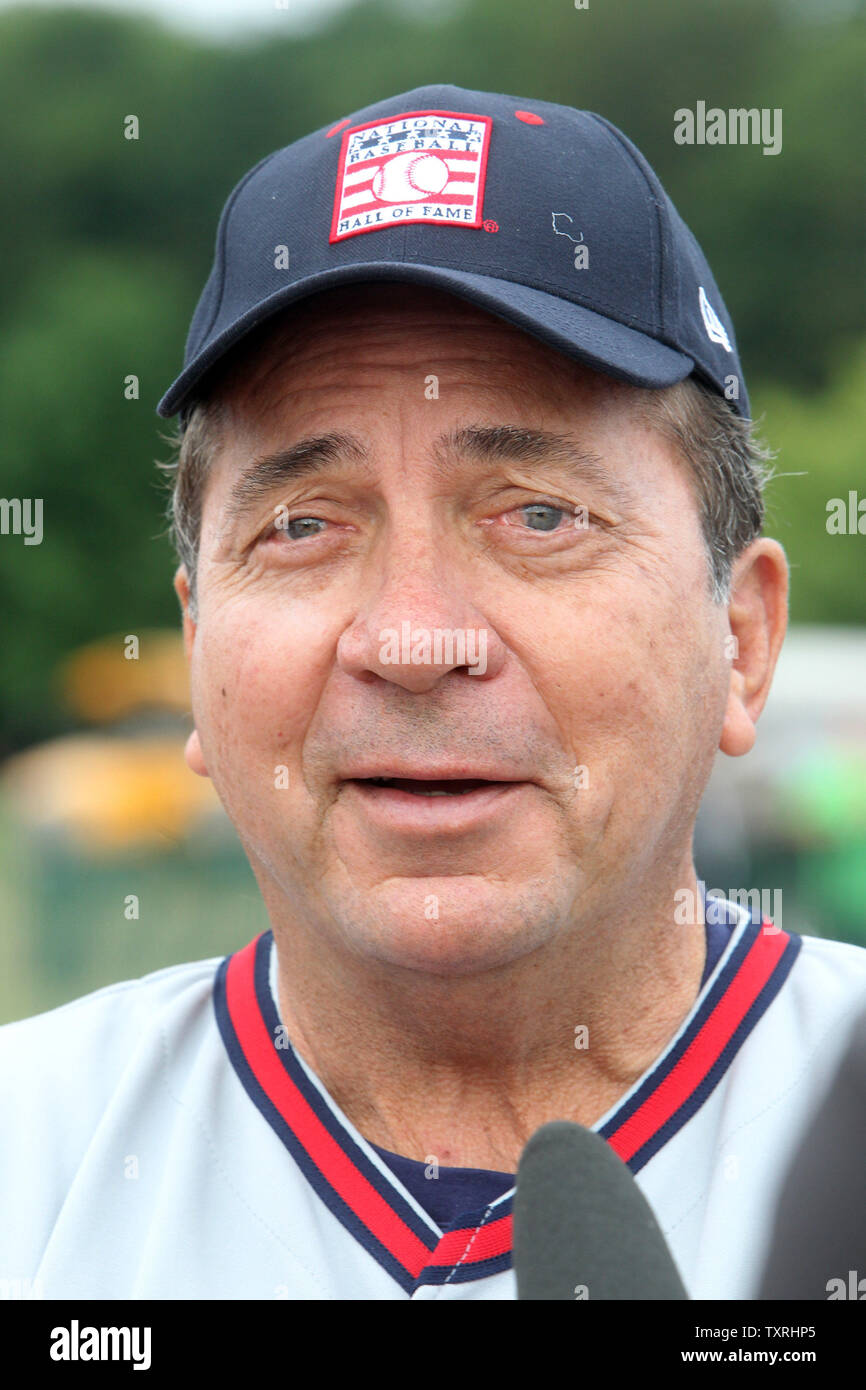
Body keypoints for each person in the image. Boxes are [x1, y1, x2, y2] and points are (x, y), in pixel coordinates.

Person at [2, 83, 864, 1301]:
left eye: (539, 514)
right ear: (197, 648)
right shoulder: (26, 1163)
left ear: (742, 639)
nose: (412, 640)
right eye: (302, 524)